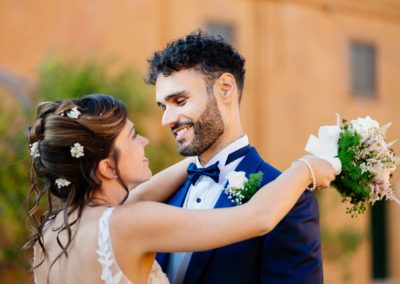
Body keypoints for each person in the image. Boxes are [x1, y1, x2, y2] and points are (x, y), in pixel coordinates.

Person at [26, 94, 335, 283]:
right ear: (107, 168)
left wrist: (210, 150)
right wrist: (306, 168)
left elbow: (152, 187)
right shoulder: (132, 221)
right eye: (133, 136)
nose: (145, 140)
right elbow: (259, 217)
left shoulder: (51, 233)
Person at [146, 31, 325, 283]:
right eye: (164, 106)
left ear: (225, 88)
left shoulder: (289, 201)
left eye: (180, 100)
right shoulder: (162, 195)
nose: (167, 119)